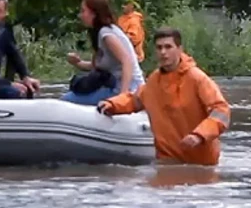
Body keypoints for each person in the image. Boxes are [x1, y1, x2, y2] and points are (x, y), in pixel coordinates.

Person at [96, 27, 231, 166]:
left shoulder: (197, 79)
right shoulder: (154, 80)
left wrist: (199, 135)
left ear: (179, 49)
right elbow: (135, 100)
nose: (163, 52)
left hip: (201, 163)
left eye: (168, 47)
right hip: (167, 159)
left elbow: (221, 110)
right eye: (159, 48)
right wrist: (112, 104)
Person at [61, 0, 144, 105]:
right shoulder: (101, 33)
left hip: (128, 89)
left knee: (66, 101)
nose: (80, 15)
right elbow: (96, 66)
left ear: (94, 13)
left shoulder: (106, 34)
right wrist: (78, 63)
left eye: (83, 11)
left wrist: (123, 96)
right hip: (114, 86)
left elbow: (127, 61)